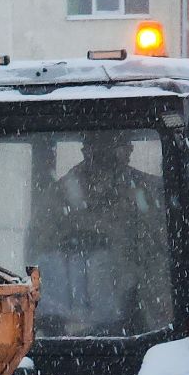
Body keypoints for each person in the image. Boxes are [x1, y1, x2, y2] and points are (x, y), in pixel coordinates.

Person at [30, 132, 172, 336]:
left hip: (146, 325)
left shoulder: (149, 191)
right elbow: (40, 256)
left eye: (120, 147)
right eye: (102, 148)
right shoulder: (60, 197)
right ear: (86, 150)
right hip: (76, 326)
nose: (112, 156)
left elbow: (165, 256)